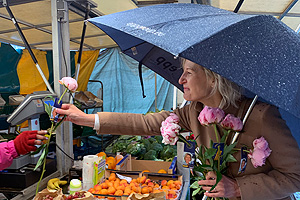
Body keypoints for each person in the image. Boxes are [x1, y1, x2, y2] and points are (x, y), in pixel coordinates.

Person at [56, 59, 300, 200]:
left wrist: (237, 188)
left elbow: (295, 176)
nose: (181, 79)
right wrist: (87, 119)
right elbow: (146, 123)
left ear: (213, 78)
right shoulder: (192, 111)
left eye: (189, 72)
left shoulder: (260, 116)